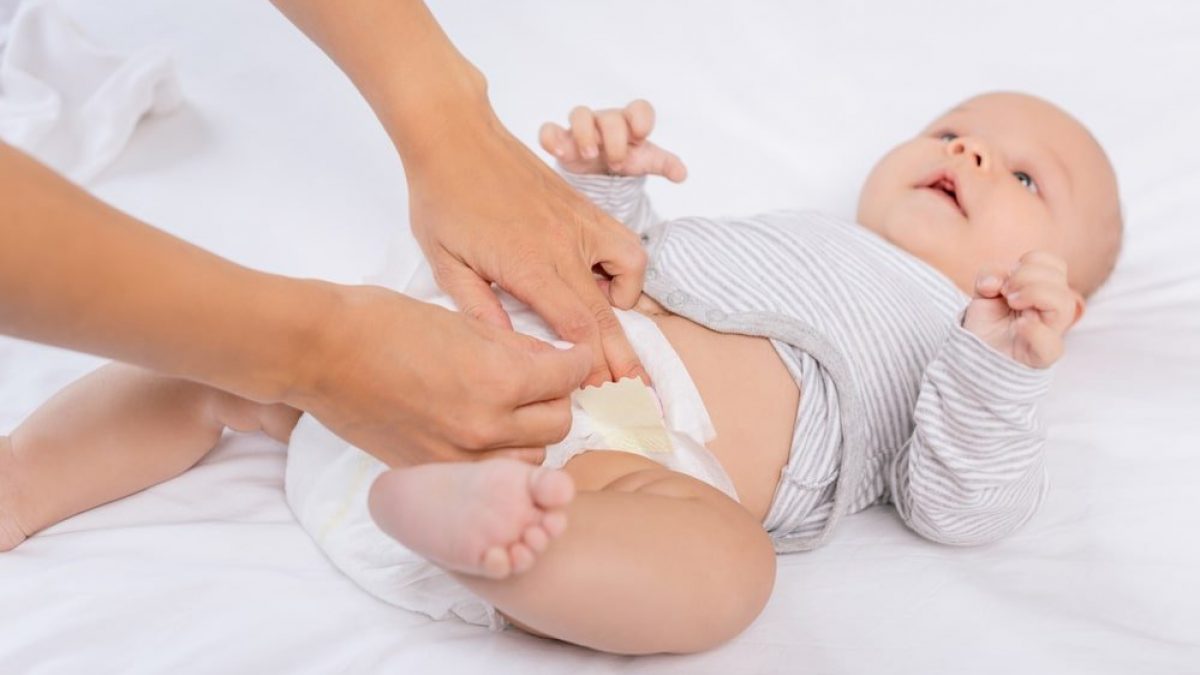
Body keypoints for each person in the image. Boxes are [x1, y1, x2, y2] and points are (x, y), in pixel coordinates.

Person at [0, 91, 1123, 655]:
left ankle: (494, 537)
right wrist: (610, 192)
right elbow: (614, 270)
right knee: (226, 362)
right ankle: (25, 477)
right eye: (953, 130)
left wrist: (1003, 368)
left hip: (611, 473)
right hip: (442, 361)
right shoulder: (790, 230)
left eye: (1027, 174)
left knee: (728, 571)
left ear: (1060, 284)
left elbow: (961, 508)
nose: (970, 152)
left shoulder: (958, 344)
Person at [0, 0, 648, 470]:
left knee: (219, 382)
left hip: (562, 460)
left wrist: (447, 120)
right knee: (213, 380)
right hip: (427, 370)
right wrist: (320, 353)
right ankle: (23, 480)